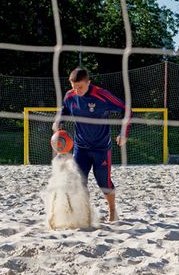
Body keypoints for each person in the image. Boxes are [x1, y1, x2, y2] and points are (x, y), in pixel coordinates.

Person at [52, 67, 132, 222]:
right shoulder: (70, 96)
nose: (77, 90)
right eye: (73, 87)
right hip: (80, 147)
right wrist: (58, 122)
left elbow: (126, 110)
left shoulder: (101, 95)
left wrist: (123, 133)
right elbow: (64, 111)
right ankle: (85, 214)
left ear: (88, 82)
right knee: (78, 182)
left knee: (104, 183)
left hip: (101, 148)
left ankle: (113, 211)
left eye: (80, 87)